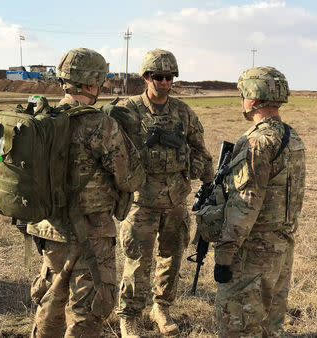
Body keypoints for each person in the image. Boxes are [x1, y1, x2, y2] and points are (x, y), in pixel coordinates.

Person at [27, 48, 145, 337]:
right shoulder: (99, 124)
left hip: (48, 229)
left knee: (52, 300)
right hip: (91, 232)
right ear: (94, 84)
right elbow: (130, 179)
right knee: (89, 310)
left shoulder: (41, 117)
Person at [105, 48, 214, 337]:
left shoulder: (182, 112)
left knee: (172, 258)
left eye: (169, 77)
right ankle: (128, 316)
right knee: (138, 261)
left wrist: (198, 168)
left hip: (175, 201)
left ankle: (161, 308)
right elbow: (112, 154)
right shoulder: (127, 111)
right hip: (140, 202)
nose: (164, 82)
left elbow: (202, 153)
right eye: (158, 77)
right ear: (146, 78)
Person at [213, 66, 306, 337]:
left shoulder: (257, 142)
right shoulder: (292, 137)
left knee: (238, 326)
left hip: (253, 253)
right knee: (269, 327)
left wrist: (224, 255)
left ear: (252, 99)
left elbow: (244, 204)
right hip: (281, 247)